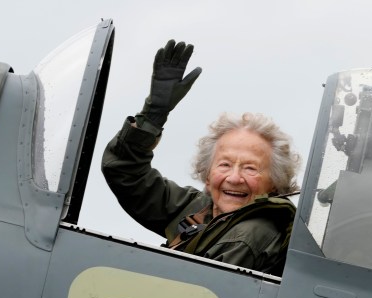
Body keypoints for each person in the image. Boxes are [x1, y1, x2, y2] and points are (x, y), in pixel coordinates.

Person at [102, 40, 301, 275]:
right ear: (207, 176)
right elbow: (125, 173)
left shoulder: (250, 234)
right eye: (225, 165)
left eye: (250, 168)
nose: (234, 178)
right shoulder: (201, 209)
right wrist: (153, 114)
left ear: (275, 185)